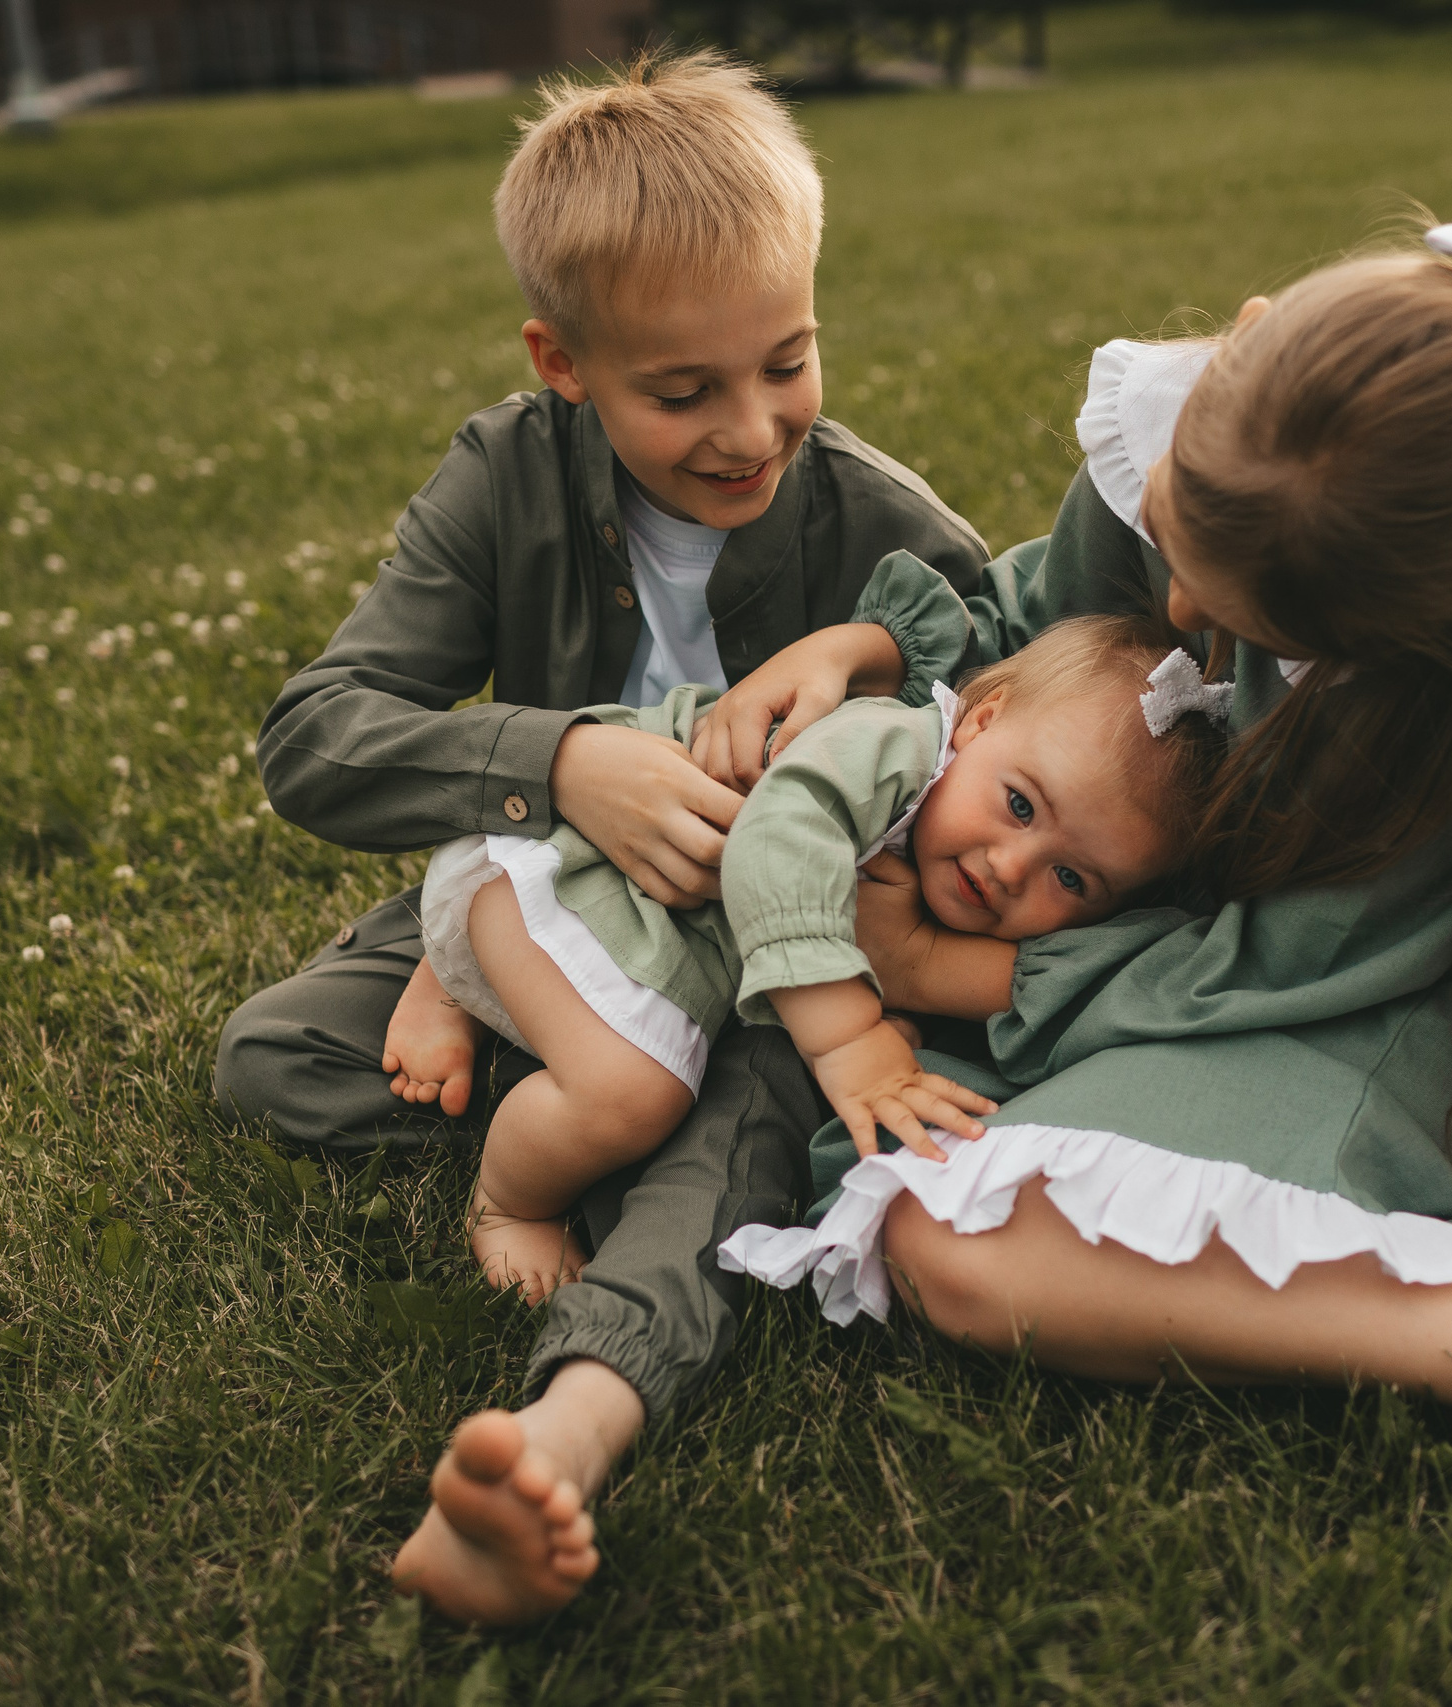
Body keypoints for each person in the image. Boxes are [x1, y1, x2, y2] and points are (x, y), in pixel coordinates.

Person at [715, 219, 1452, 1633]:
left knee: (959, 1236)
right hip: (1184, 954)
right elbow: (1058, 637)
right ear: (1239, 350)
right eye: (1178, 542)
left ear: (1393, 645)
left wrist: (948, 968)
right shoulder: (1217, 462)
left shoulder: (1444, 739)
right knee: (942, 1196)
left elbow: (1270, 968)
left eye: (1236, 617)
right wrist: (866, 649)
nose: (1179, 609)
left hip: (1391, 1011)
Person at [210, 53, 990, 1625]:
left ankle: (602, 1259)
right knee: (275, 1058)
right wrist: (558, 761)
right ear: (561, 361)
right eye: (682, 393)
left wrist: (866, 650)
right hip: (550, 899)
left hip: (774, 966)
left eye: (789, 360)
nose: (751, 428)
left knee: (725, 1139)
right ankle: (562, 1063)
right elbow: (315, 734)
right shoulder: (503, 476)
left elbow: (1008, 642)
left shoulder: (862, 511)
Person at [388, 616, 1230, 1302]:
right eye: (1019, 804)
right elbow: (777, 843)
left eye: (1071, 877)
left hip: (639, 919)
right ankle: (511, 1203)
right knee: (631, 1093)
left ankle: (454, 979)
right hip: (582, 868)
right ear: (980, 720)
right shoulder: (890, 747)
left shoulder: (965, 848)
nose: (1012, 866)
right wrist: (850, 1037)